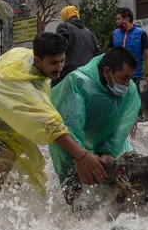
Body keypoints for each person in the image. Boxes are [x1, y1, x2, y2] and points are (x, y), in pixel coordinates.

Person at [0, 32, 108, 220]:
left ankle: (2, 204)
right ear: (38, 60)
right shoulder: (25, 88)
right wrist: (81, 155)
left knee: (18, 157)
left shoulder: (26, 60)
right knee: (6, 158)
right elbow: (50, 127)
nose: (59, 67)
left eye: (62, 61)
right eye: (53, 63)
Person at [50, 48, 141, 200]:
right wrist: (79, 156)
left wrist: (108, 151)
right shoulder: (78, 82)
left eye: (130, 79)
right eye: (124, 78)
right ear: (107, 71)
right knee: (73, 186)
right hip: (70, 143)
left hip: (109, 140)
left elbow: (123, 123)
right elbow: (69, 125)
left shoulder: (129, 89)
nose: (126, 85)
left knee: (124, 180)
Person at [53, 5, 101, 87]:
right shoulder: (88, 32)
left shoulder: (63, 27)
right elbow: (97, 52)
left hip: (69, 74)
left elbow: (60, 48)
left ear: (65, 15)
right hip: (88, 74)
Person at [109, 7, 148, 89]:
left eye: (119, 19)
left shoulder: (141, 34)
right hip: (117, 74)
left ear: (126, 18)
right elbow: (109, 54)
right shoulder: (115, 34)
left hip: (134, 76)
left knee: (133, 100)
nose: (116, 22)